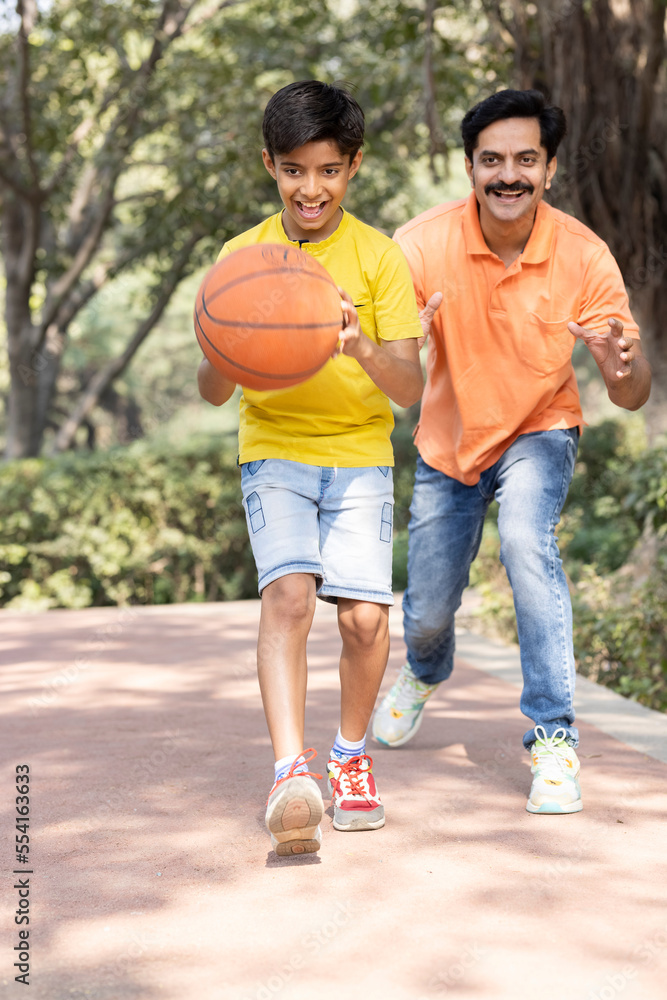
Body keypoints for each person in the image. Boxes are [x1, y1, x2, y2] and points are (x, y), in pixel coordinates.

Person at [372, 89, 651, 814]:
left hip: (539, 429)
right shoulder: (419, 245)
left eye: (525, 159)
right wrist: (405, 341)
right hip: (448, 444)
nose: (508, 175)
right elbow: (392, 374)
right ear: (469, 166)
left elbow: (631, 393)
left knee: (528, 542)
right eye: (491, 160)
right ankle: (424, 670)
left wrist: (621, 366)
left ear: (549, 168)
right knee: (427, 609)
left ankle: (553, 737)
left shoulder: (583, 254)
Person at [198, 80, 423, 855]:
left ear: (353, 166)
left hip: (359, 456)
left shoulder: (380, 257)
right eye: (293, 170)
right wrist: (225, 349)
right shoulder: (240, 259)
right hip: (274, 450)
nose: (310, 189)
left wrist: (359, 346)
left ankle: (349, 756)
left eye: (328, 170)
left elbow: (408, 387)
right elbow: (211, 389)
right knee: (289, 598)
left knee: (363, 620)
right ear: (269, 165)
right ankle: (290, 774)